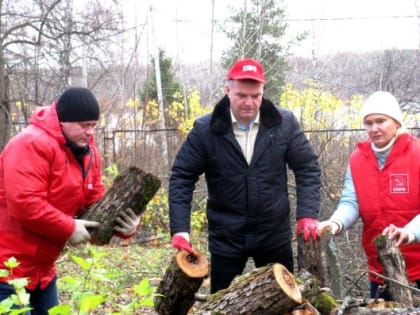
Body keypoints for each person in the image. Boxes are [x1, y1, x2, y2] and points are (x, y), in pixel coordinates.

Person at [169, 58, 321, 293]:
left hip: (273, 234)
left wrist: (307, 214)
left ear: (263, 92)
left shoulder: (284, 123)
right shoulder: (206, 129)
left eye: (256, 96)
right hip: (226, 236)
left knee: (284, 301)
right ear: (228, 90)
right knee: (222, 303)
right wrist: (180, 229)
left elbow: (307, 167)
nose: (249, 103)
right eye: (241, 95)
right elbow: (182, 176)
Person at [0, 87, 140, 314]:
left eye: (93, 125)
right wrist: (68, 227)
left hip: (42, 271)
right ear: (63, 121)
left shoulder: (88, 152)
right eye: (84, 125)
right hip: (7, 269)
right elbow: (24, 204)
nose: (90, 132)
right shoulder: (30, 144)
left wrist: (127, 226)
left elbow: (94, 201)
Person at [317, 91, 420, 300]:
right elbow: (351, 201)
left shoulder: (417, 153)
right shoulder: (357, 159)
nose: (374, 128)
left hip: (417, 266)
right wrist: (336, 222)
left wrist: (409, 232)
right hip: (379, 268)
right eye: (368, 123)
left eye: (381, 121)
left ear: (396, 122)